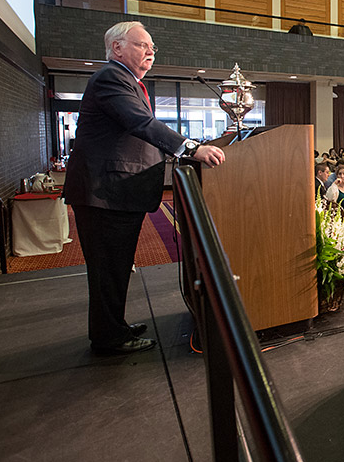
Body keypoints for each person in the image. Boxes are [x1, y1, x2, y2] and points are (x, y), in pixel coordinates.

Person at [64, 21, 226, 354]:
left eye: (152, 47)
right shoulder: (111, 78)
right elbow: (141, 124)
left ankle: (114, 326)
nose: (150, 51)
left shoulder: (129, 82)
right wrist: (191, 147)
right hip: (106, 193)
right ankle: (109, 337)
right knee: (108, 269)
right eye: (143, 45)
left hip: (116, 193)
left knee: (117, 266)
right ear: (117, 47)